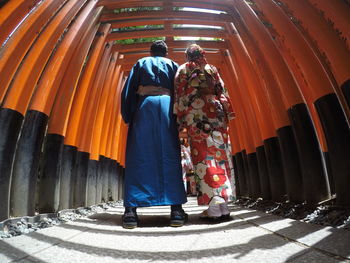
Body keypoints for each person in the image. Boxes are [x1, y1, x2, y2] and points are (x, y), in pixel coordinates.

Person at [121, 40, 187, 229]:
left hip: (145, 107)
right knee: (170, 155)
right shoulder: (174, 65)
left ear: (151, 52)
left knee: (138, 155)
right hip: (167, 107)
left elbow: (128, 91)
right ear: (166, 53)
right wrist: (180, 118)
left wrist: (128, 114)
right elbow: (181, 92)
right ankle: (176, 211)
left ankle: (131, 212)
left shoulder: (140, 63)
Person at [174, 44, 236, 221]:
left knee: (204, 159)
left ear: (187, 56)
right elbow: (222, 92)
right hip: (216, 114)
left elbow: (181, 94)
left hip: (197, 115)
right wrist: (227, 112)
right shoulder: (212, 69)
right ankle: (223, 206)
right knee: (220, 158)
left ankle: (214, 209)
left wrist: (179, 119)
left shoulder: (184, 70)